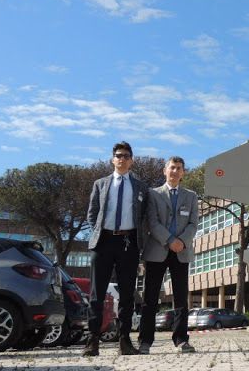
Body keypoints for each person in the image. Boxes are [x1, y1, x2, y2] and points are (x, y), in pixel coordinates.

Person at [83, 141, 149, 356]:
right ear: (113, 159)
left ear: (132, 160)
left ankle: (124, 341)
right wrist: (98, 233)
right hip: (103, 242)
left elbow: (144, 216)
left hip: (128, 243)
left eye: (126, 155)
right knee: (96, 294)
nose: (122, 159)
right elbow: (92, 213)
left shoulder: (140, 187)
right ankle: (93, 341)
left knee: (127, 295)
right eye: (118, 155)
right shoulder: (100, 184)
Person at [138, 156, 199, 354]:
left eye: (179, 168)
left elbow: (193, 223)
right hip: (157, 250)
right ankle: (145, 341)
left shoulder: (191, 196)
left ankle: (181, 339)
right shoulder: (153, 194)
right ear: (165, 171)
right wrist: (169, 240)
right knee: (150, 297)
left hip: (181, 251)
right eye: (172, 167)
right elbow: (152, 222)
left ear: (183, 173)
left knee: (181, 297)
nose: (175, 171)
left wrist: (181, 241)